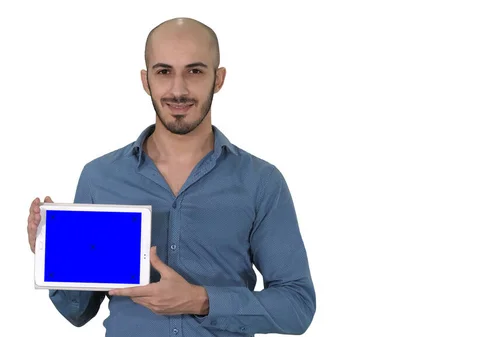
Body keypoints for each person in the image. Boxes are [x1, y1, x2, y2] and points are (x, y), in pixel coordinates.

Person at [27, 17, 316, 336]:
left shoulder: (262, 182)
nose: (178, 90)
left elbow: (297, 306)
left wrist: (201, 301)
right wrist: (53, 253)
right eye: (164, 72)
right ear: (145, 80)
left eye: (195, 71)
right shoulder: (100, 177)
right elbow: (77, 312)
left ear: (218, 79)